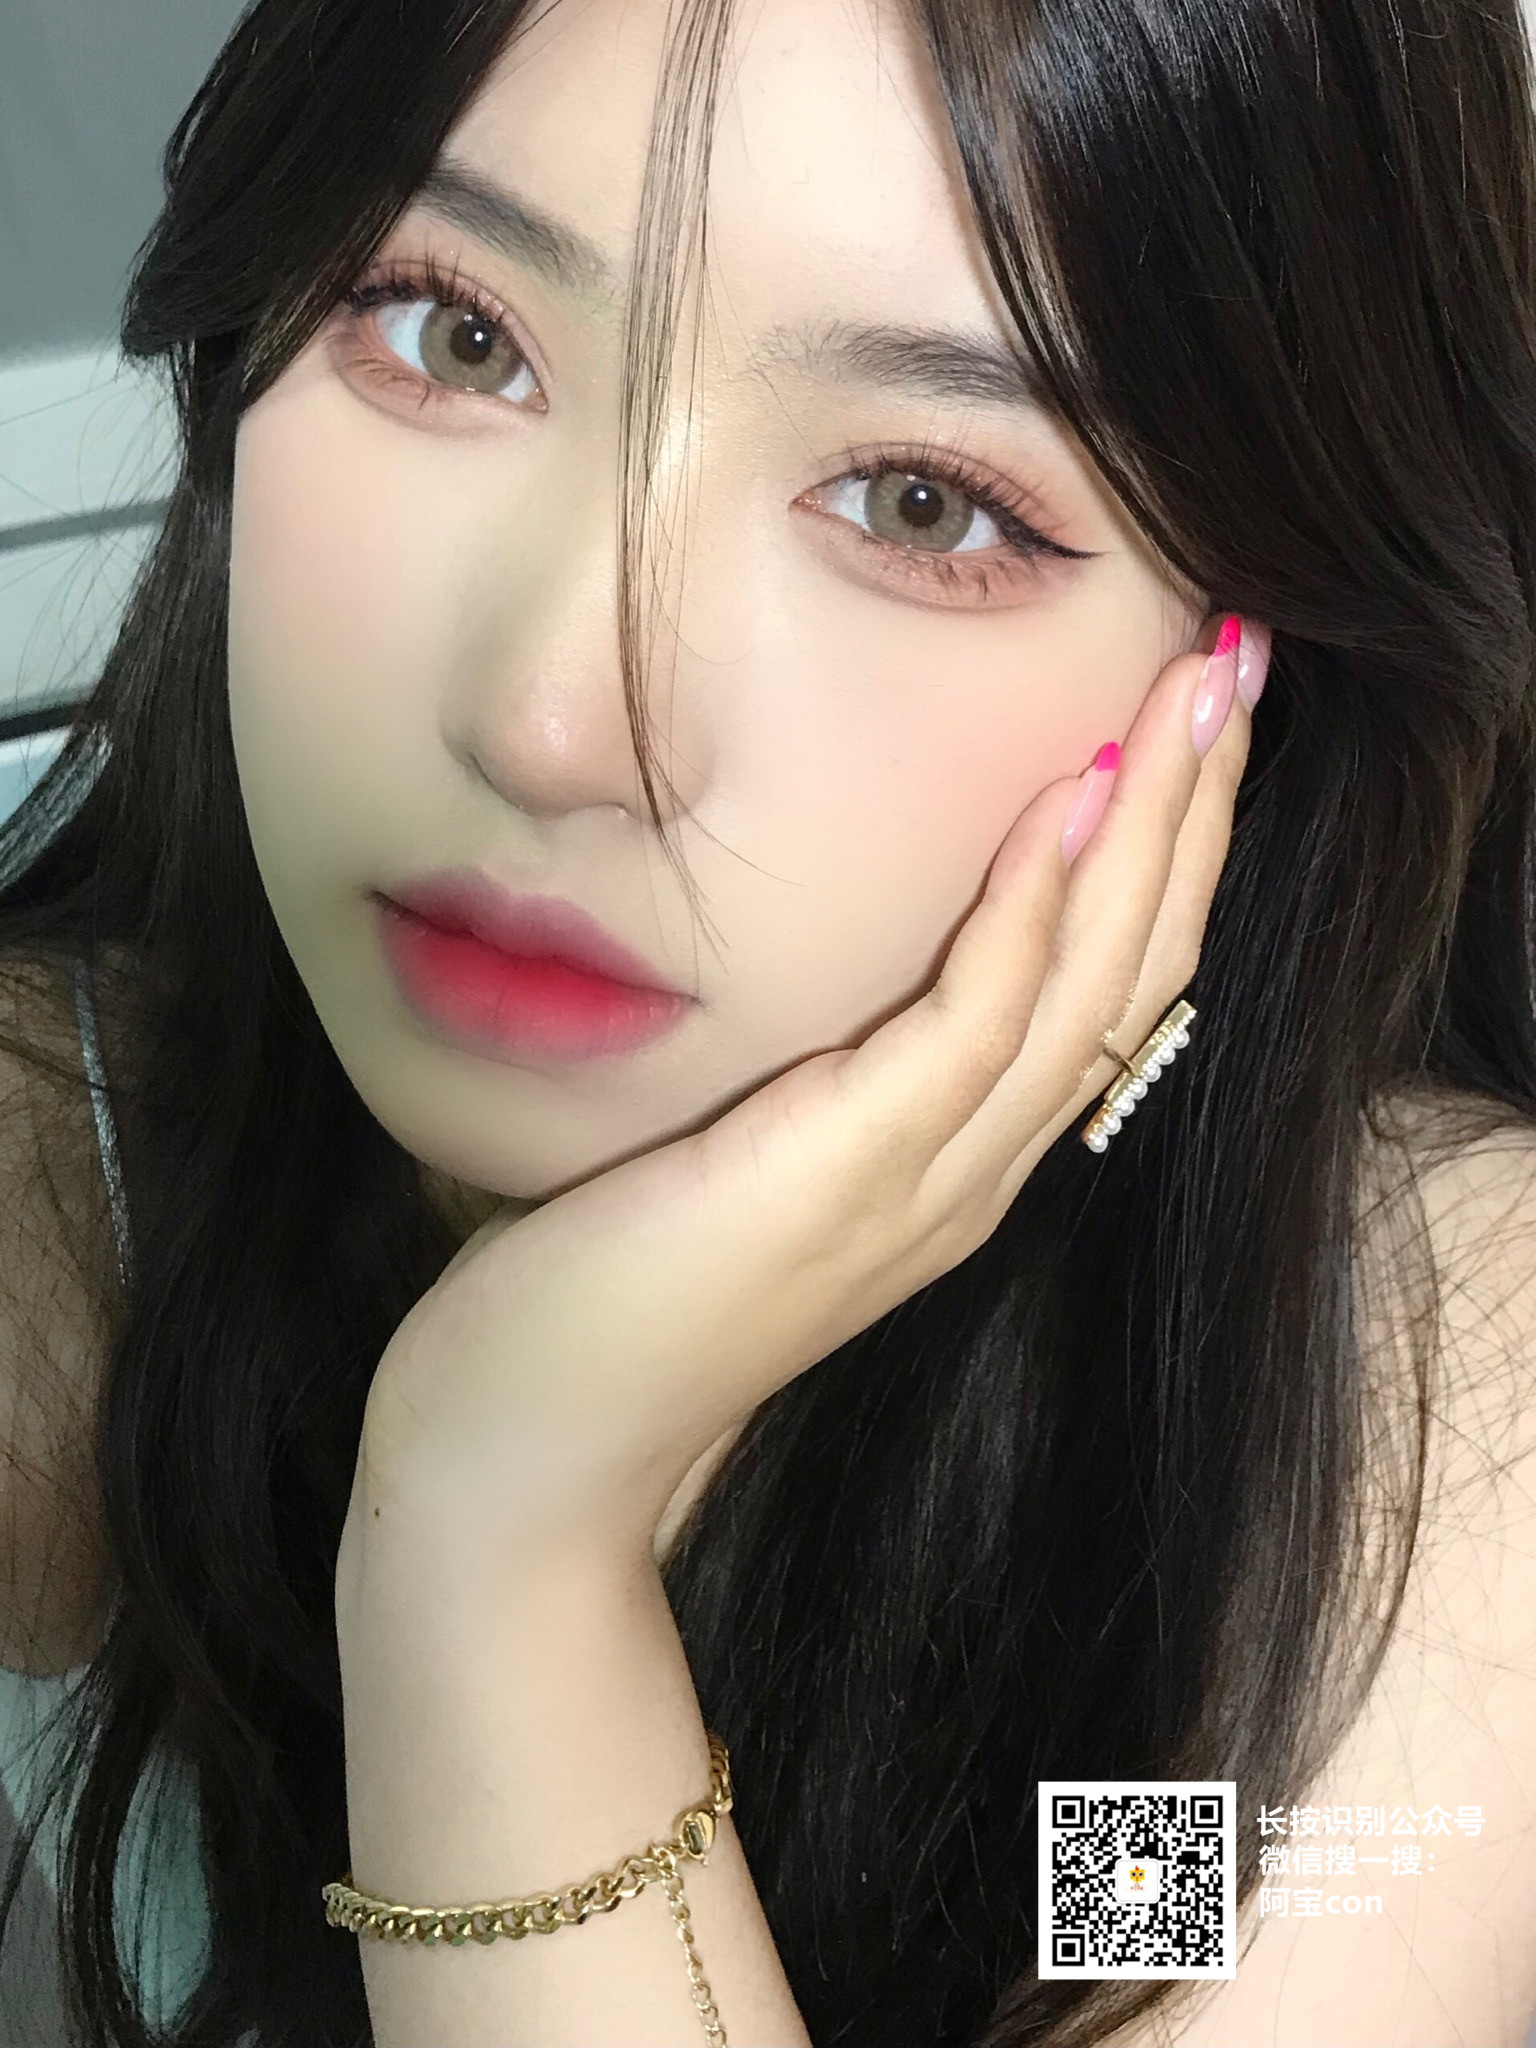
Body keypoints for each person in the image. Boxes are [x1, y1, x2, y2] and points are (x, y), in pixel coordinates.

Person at [1, 0, 1535, 2040]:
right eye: (456, 334)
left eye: (920, 503)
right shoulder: (55, 1163)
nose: (553, 722)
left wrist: (501, 1544)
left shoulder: (1415, 1403)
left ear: (1254, 664)